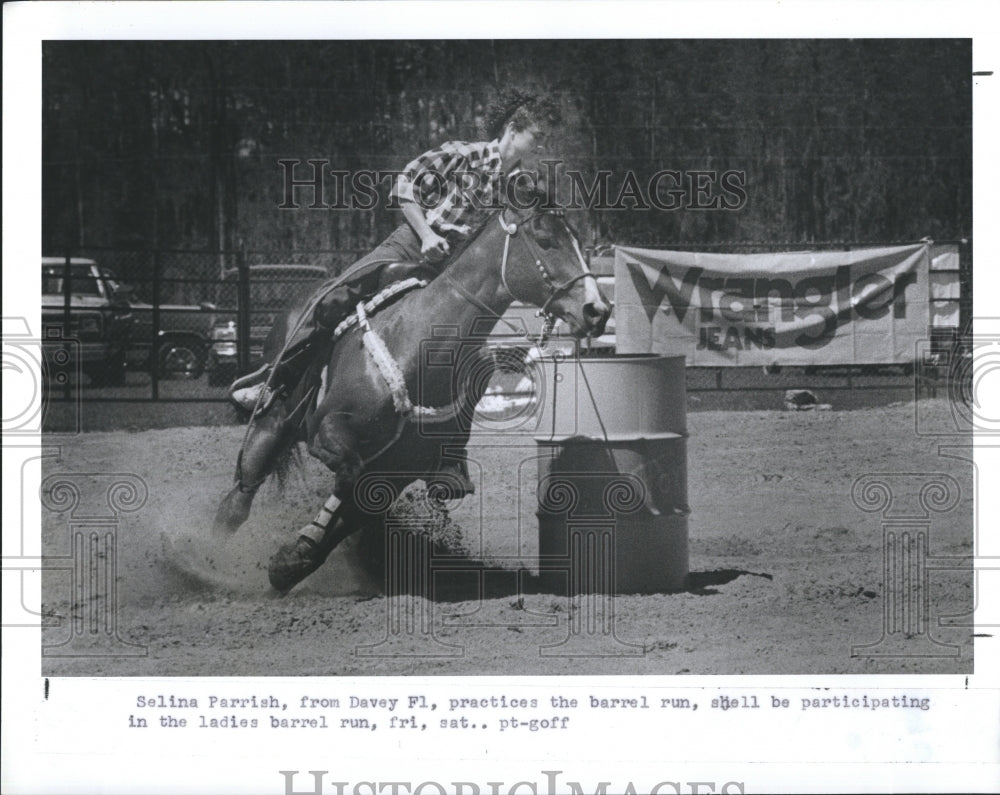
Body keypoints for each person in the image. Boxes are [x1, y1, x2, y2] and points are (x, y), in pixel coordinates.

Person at [230, 90, 561, 412]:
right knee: (337, 296)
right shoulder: (465, 154)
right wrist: (428, 235)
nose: (542, 144)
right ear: (512, 131)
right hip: (412, 245)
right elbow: (405, 186)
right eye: (537, 136)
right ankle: (273, 380)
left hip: (454, 271)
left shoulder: (520, 186)